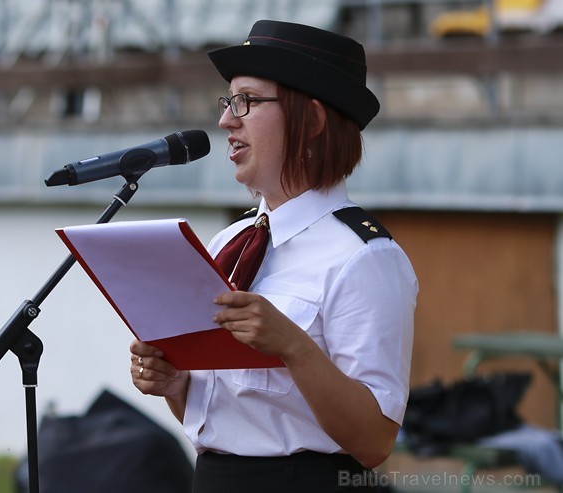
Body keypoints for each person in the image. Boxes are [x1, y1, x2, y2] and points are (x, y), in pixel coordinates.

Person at [129, 19, 418, 493]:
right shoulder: (230, 243)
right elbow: (219, 423)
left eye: (247, 101)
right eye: (228, 102)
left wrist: (293, 346)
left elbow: (374, 442)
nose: (226, 120)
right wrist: (175, 383)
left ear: (313, 121)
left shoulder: (366, 256)